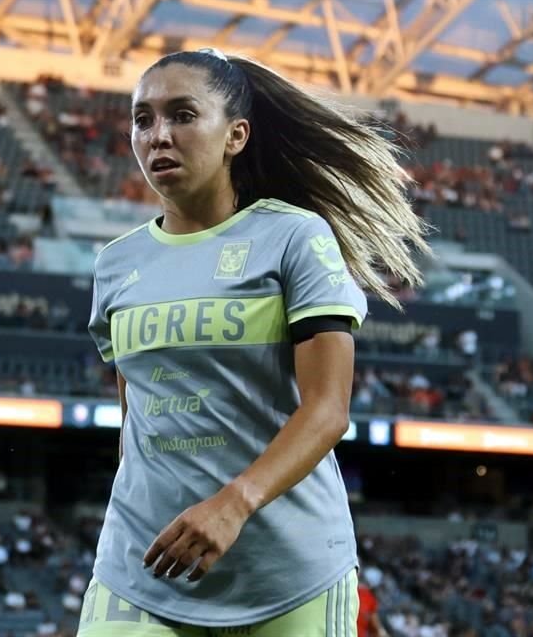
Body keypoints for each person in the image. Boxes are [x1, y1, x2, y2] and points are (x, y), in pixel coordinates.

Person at [82, 48, 428, 637]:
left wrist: (232, 503)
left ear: (236, 135)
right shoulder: (117, 266)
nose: (159, 135)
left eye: (183, 114)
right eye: (143, 120)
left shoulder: (294, 237)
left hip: (285, 576)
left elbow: (328, 410)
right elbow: (134, 419)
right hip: (142, 566)